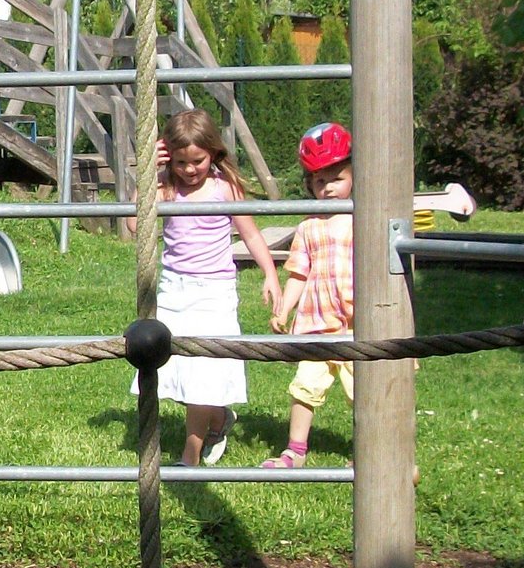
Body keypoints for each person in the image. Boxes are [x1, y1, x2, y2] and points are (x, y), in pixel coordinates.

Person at [128, 110, 281, 465]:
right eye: (180, 162)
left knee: (203, 372)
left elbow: (251, 233)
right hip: (174, 290)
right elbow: (135, 226)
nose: (189, 169)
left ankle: (190, 455)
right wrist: (148, 173)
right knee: (174, 370)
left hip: (214, 291)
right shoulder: (166, 188)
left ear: (213, 152)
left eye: (197, 160)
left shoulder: (223, 187)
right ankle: (217, 418)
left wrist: (271, 274)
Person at [264, 123, 356, 468]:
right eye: (320, 181)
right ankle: (295, 451)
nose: (329, 187)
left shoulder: (364, 220)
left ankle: (371, 450)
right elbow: (299, 273)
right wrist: (284, 309)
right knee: (304, 388)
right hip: (318, 323)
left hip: (355, 324)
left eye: (337, 178)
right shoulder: (308, 226)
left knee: (363, 394)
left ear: (353, 176)